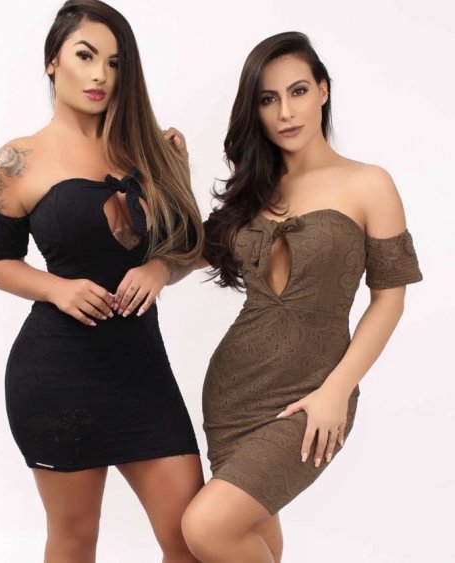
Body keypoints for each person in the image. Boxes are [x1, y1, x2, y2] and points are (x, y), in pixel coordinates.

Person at [133, 31, 423, 562]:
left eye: (298, 91)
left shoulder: (369, 184)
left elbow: (389, 300)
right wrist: (172, 194)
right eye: (268, 99)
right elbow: (186, 254)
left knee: (205, 527)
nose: (285, 112)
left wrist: (337, 391)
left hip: (315, 395)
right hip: (234, 396)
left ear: (323, 90)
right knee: (249, 540)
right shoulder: (253, 195)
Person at [0, 1, 205, 561]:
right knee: (76, 541)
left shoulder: (153, 150)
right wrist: (57, 288)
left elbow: (193, 248)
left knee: (190, 540)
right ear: (53, 61)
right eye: (85, 56)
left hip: (142, 372)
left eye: (115, 62)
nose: (101, 74)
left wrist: (159, 268)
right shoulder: (16, 161)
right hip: (57, 373)